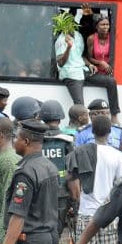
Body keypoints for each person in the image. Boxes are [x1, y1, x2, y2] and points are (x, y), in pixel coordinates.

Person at [65, 114, 122, 244]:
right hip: (109, 217)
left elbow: (71, 180)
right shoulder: (118, 156)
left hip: (86, 214)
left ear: (92, 131)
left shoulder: (81, 152)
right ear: (110, 131)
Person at [0, 119, 60, 244]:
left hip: (31, 242)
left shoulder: (25, 172)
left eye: (16, 138)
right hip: (50, 237)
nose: (14, 141)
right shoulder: (50, 166)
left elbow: (18, 216)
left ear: (25, 141)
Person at [55, 14, 120, 119]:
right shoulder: (61, 40)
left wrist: (90, 64)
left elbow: (82, 56)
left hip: (83, 70)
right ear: (63, 26)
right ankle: (79, 128)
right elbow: (61, 63)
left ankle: (114, 116)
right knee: (80, 106)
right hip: (71, 74)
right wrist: (68, 47)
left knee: (111, 82)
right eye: (68, 24)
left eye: (72, 24)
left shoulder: (78, 36)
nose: (71, 27)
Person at [39, 100, 75, 236]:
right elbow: (72, 170)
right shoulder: (67, 140)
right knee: (57, 229)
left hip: (39, 191)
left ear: (42, 118)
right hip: (61, 193)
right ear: (60, 119)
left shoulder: (36, 140)